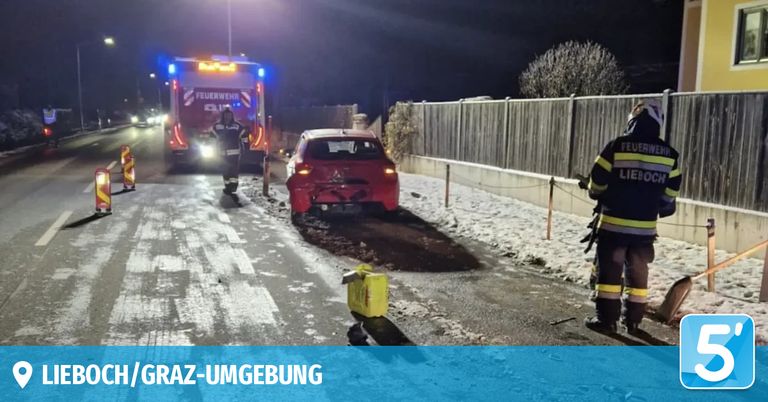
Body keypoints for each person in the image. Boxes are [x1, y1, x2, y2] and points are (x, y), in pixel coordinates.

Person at [584, 100, 682, 334]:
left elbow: (596, 180)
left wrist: (597, 192)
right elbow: (671, 194)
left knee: (609, 275)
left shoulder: (617, 146)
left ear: (632, 120)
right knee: (639, 277)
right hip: (644, 232)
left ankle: (607, 322)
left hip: (614, 227)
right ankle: (634, 322)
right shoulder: (669, 155)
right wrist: (657, 205)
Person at [212, 108, 248, 204]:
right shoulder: (217, 126)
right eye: (226, 115)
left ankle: (234, 186)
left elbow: (244, 134)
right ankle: (227, 186)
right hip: (222, 153)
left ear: (232, 116)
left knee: (233, 170)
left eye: (229, 115)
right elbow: (212, 135)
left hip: (234, 153)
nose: (227, 117)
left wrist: (245, 146)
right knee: (225, 171)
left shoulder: (237, 126)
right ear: (223, 115)